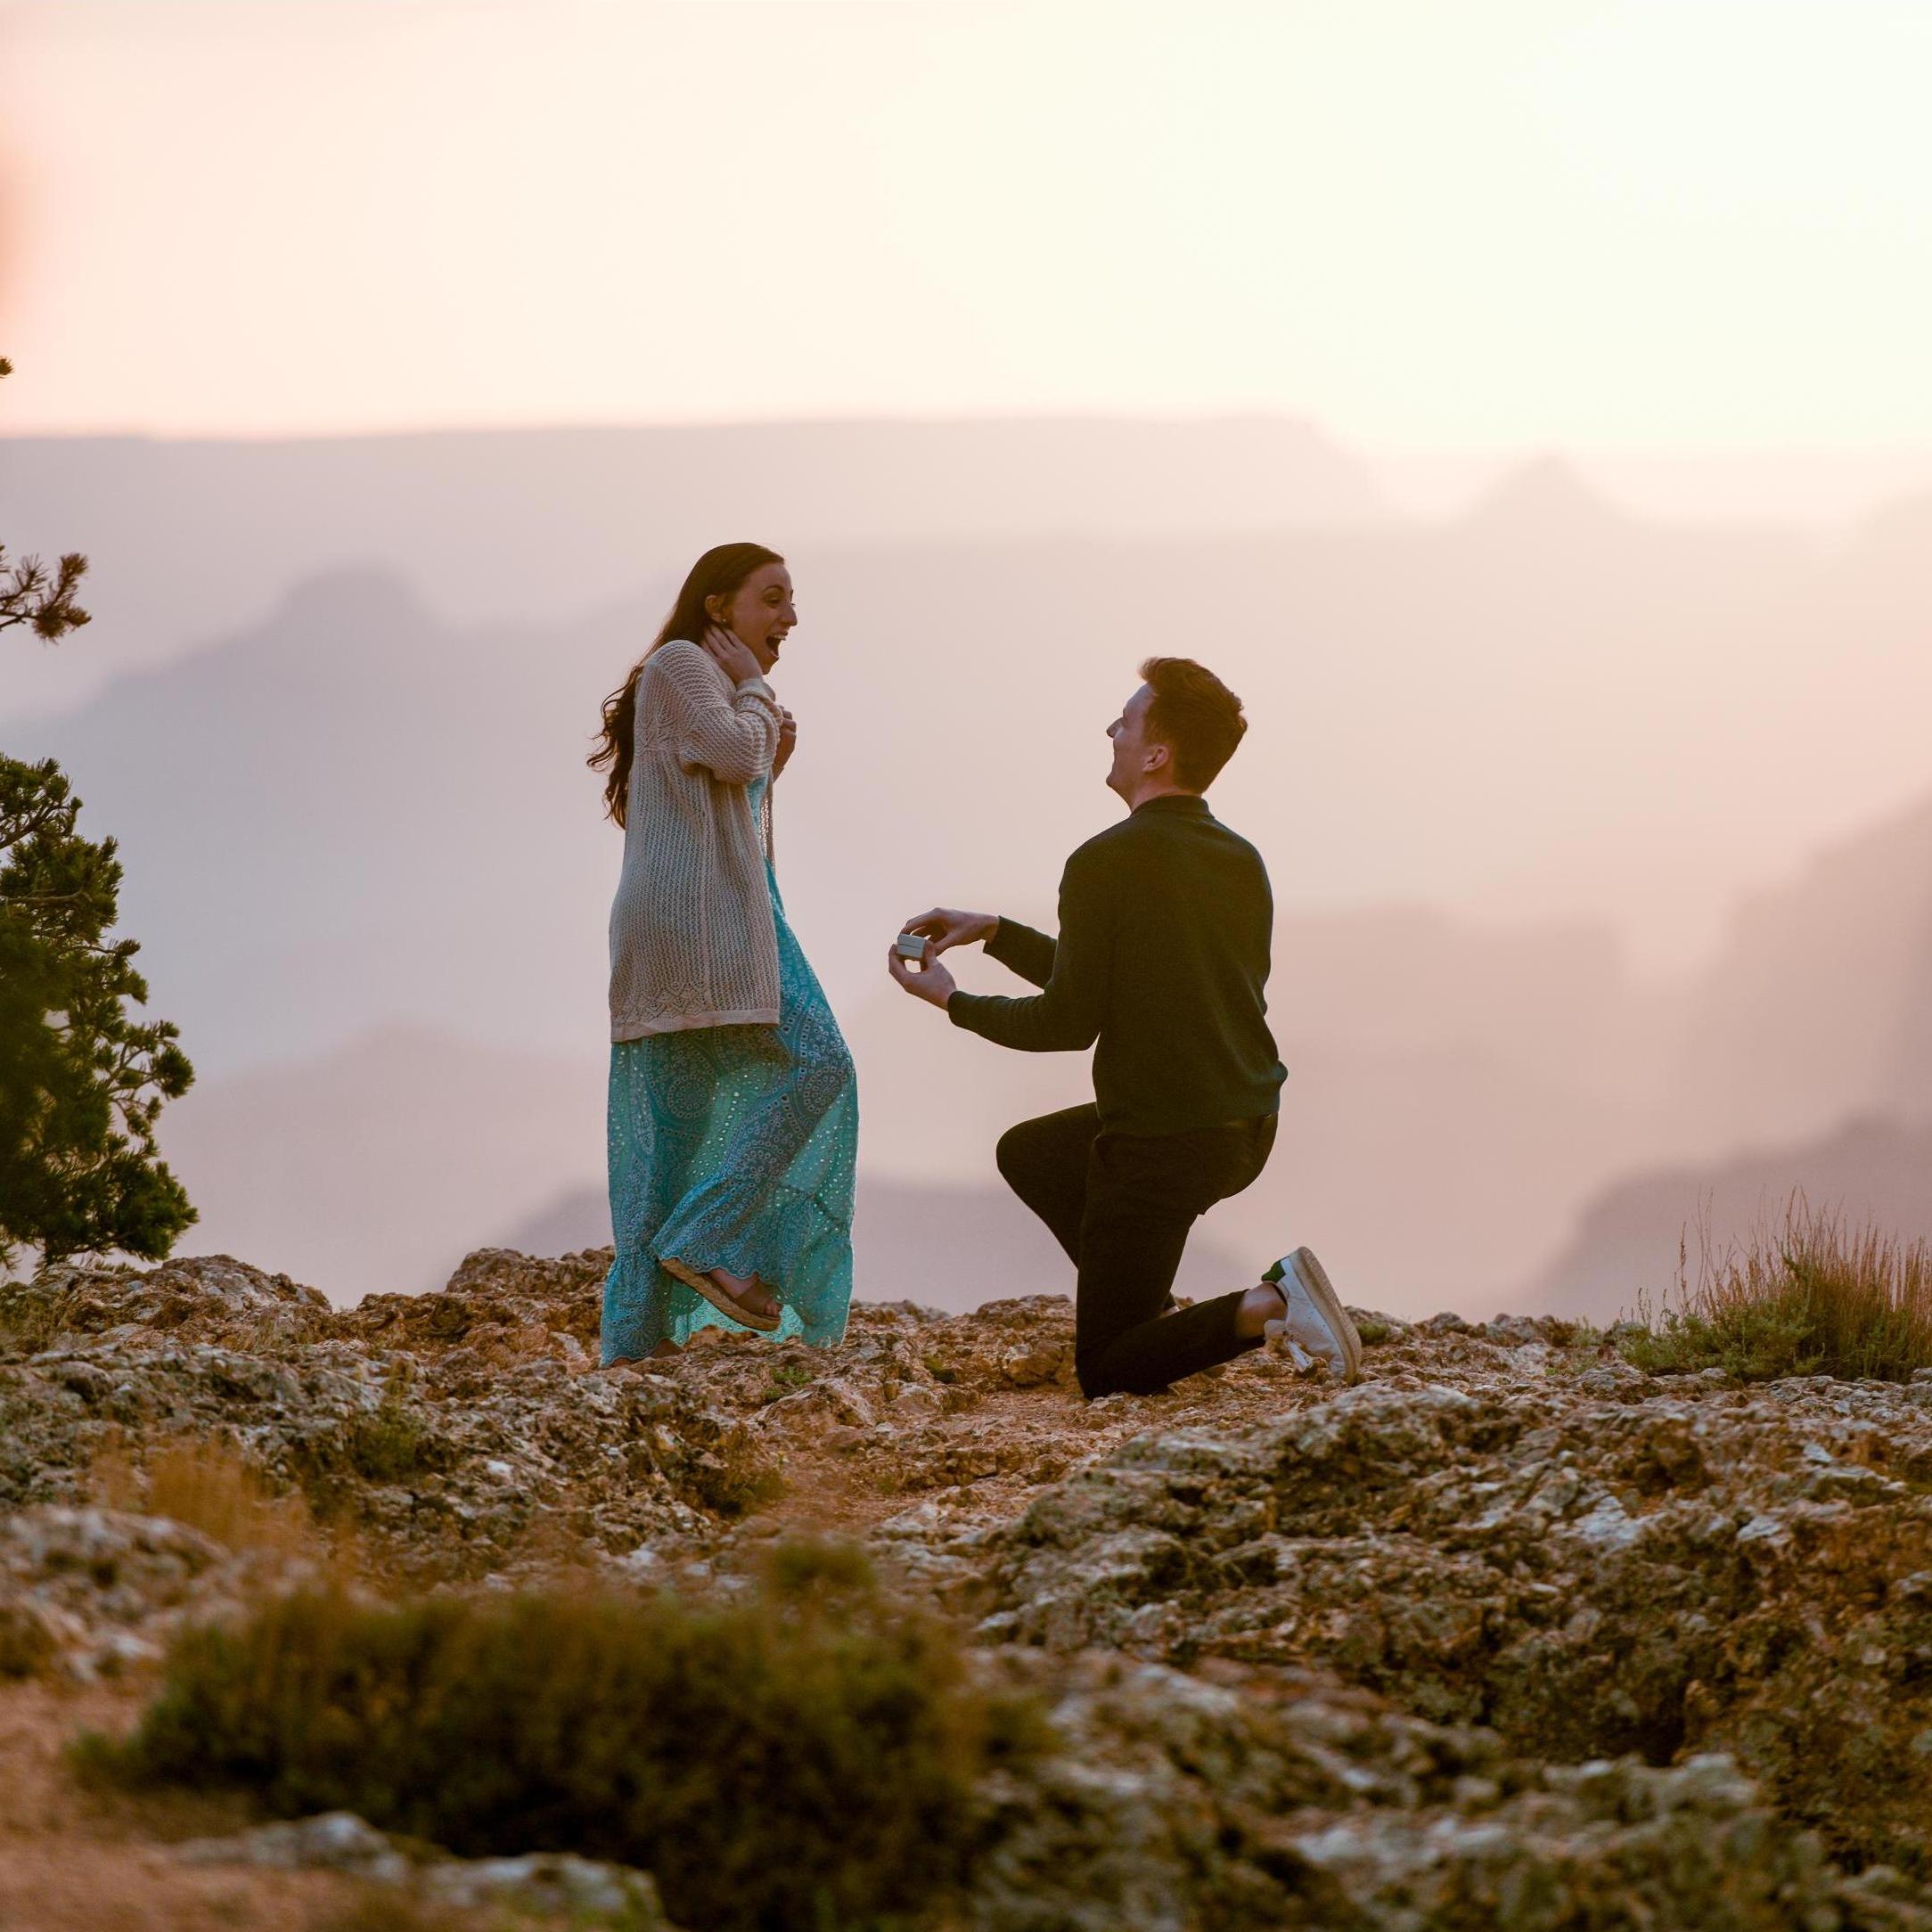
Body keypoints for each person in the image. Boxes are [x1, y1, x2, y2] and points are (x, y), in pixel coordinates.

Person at [888, 656, 1360, 1397]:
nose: (1112, 730)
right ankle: (1147, 1309)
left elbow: (1068, 1021)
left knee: (1108, 1368)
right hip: (1245, 1123)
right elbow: (1121, 987)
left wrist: (954, 1002)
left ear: (1156, 753)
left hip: (1163, 1142)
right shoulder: (1240, 858)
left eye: (1127, 720)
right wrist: (996, 932)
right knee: (1035, 1153)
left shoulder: (1105, 862)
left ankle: (1270, 1304)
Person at [590, 542, 856, 1365]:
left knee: (673, 1138)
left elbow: (720, 799)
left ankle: (633, 1352)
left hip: (685, 927)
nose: (790, 617)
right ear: (718, 607)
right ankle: (705, 1239)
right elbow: (733, 754)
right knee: (821, 1061)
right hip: (711, 931)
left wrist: (767, 759)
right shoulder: (680, 662)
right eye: (773, 598)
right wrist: (757, 700)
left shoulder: (690, 683)